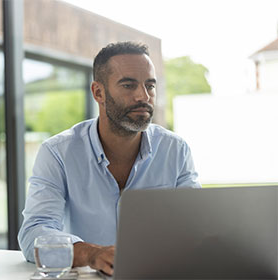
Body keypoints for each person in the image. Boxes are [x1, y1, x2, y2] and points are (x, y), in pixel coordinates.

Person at [18, 41, 201, 276]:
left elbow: (195, 228)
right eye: (128, 85)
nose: (143, 96)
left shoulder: (176, 150)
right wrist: (92, 254)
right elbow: (34, 233)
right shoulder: (58, 152)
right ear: (98, 92)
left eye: (150, 86)